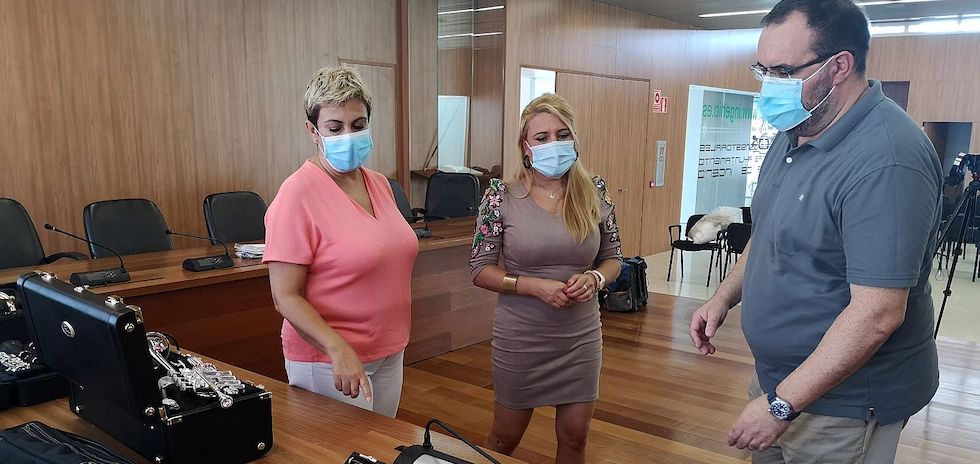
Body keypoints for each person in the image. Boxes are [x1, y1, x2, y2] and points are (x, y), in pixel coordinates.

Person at [689, 1, 942, 462]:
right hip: (779, 382)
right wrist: (723, 297)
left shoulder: (888, 159)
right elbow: (770, 234)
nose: (769, 86)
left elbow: (878, 313)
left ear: (839, 66)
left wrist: (782, 405)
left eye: (784, 72)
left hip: (842, 405)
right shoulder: (796, 130)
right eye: (762, 70)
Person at [469, 93, 623, 464]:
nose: (554, 143)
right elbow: (479, 268)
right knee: (504, 438)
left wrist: (595, 279)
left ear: (574, 139)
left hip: (580, 338)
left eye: (562, 134)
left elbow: (614, 258)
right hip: (521, 340)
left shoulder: (594, 192)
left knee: (575, 437)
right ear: (526, 146)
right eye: (542, 137)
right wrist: (533, 286)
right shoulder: (500, 197)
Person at [263, 66, 418, 418]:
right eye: (335, 128)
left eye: (358, 125)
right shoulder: (296, 195)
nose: (349, 135)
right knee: (347, 447)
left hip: (388, 350)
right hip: (330, 359)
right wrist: (337, 349)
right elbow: (284, 296)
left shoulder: (378, 183)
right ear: (313, 131)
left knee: (381, 445)